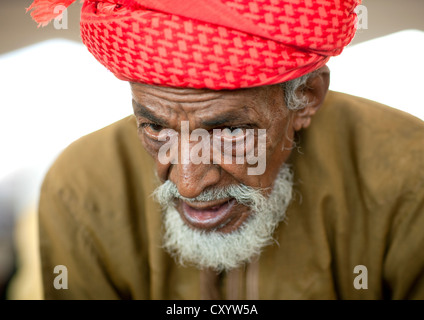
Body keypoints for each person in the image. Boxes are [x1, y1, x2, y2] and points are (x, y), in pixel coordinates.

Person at [27, 0, 424, 299]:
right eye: (154, 127)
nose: (187, 184)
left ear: (305, 97)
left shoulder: (409, 177)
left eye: (229, 132)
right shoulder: (78, 189)